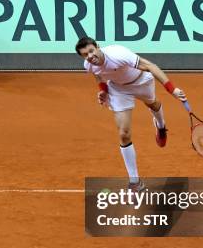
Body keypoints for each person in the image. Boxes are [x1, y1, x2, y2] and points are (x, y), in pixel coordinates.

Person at [75, 37, 187, 190]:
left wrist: (172, 89)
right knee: (124, 134)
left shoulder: (117, 53)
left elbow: (150, 66)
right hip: (119, 89)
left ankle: (161, 126)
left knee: (153, 104)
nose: (89, 56)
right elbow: (99, 76)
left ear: (97, 47)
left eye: (91, 51)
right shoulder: (88, 65)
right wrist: (103, 91)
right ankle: (135, 182)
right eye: (85, 55)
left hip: (142, 81)